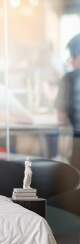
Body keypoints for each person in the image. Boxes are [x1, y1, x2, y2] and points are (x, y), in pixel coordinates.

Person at [55, 33, 80, 169]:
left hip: (77, 148)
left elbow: (61, 119)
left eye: (72, 57)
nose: (70, 61)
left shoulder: (69, 78)